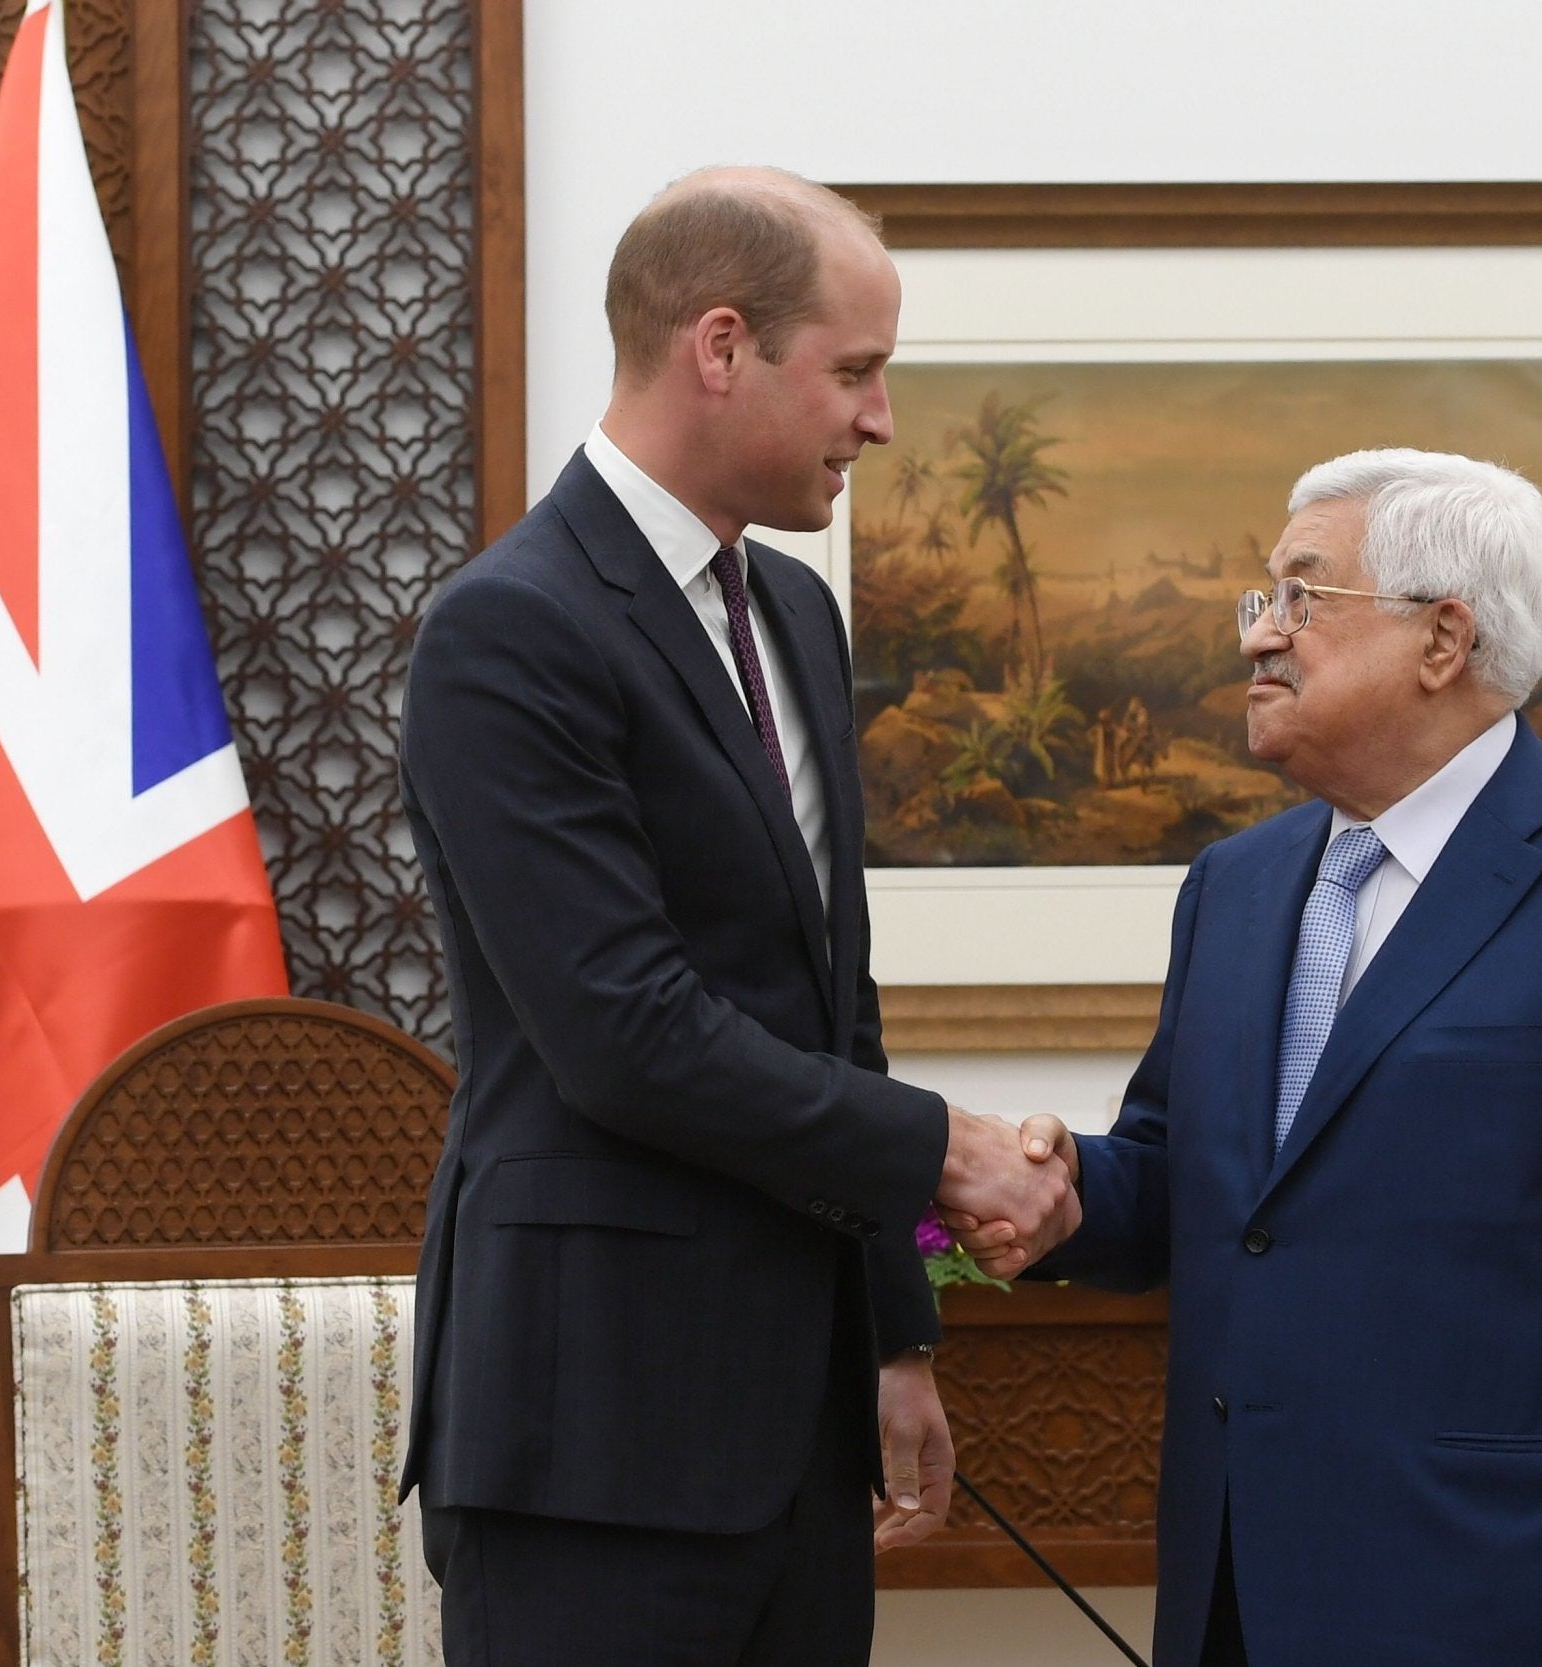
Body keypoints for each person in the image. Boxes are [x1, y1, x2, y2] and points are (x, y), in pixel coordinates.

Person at [950, 450, 1542, 1667]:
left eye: (1301, 596)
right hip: (1238, 1591)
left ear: (1442, 639)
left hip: (1514, 1596)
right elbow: (1191, 1181)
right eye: (1261, 599)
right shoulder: (1231, 889)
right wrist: (1059, 1186)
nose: (1257, 637)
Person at [397, 166, 1067, 1667]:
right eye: (855, 372)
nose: (879, 422)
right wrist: (951, 1151)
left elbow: (838, 1009)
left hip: (802, 1430)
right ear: (719, 346)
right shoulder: (508, 629)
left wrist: (895, 1320)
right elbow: (622, 1033)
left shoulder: (800, 617)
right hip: (593, 1440)